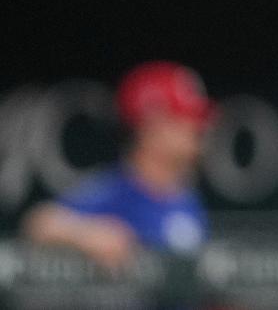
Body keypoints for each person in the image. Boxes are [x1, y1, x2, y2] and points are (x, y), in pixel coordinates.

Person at [21, 61, 214, 270]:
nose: (197, 127)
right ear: (152, 124)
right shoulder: (118, 191)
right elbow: (39, 223)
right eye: (184, 117)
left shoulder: (187, 196)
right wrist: (86, 234)